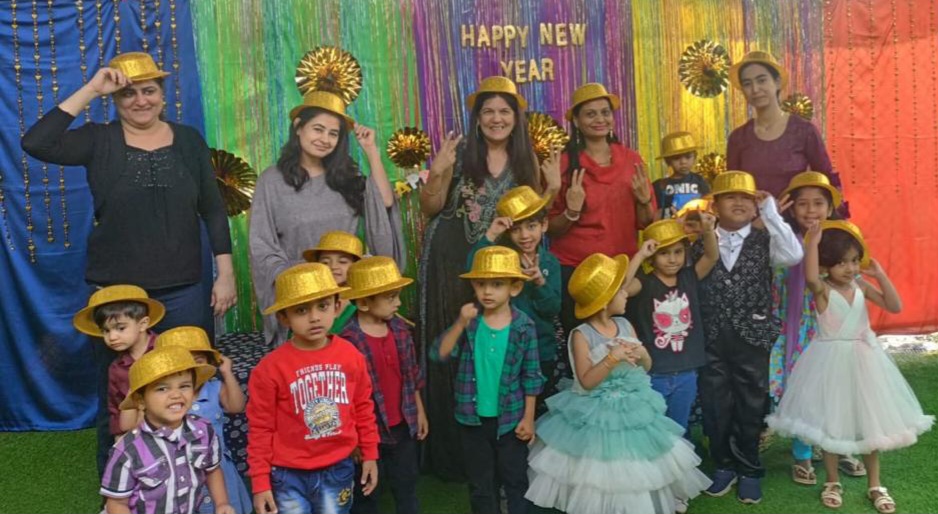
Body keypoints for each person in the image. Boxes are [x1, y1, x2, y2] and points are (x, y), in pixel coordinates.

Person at [21, 51, 236, 331]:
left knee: (185, 359)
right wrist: (91, 89)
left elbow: (213, 209)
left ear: (162, 95)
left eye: (149, 91)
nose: (141, 101)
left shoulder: (189, 140)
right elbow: (36, 143)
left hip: (183, 290)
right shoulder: (98, 140)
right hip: (117, 294)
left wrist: (226, 275)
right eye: (128, 93)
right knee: (122, 362)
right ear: (114, 99)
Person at [418, 76, 557, 479]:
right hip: (450, 264)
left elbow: (534, 219)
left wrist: (553, 189)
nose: (497, 118)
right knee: (460, 351)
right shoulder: (460, 155)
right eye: (488, 111)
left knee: (498, 352)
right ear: (477, 119)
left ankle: (506, 449)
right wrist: (438, 173)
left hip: (501, 270)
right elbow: (430, 208)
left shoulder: (527, 162)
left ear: (516, 118)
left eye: (504, 111)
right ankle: (457, 456)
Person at [767, 220, 933, 513]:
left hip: (865, 363)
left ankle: (875, 484)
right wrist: (812, 243)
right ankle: (832, 481)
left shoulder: (861, 286)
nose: (850, 268)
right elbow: (810, 275)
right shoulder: (821, 289)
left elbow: (894, 306)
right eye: (841, 263)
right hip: (830, 363)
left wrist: (880, 275)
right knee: (831, 423)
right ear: (826, 265)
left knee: (870, 423)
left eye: (855, 261)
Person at [526, 252, 710, 514]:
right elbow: (586, 381)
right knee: (602, 466)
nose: (625, 294)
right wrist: (612, 358)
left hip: (631, 406)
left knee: (635, 461)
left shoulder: (624, 324)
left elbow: (645, 367)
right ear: (604, 302)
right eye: (619, 291)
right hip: (596, 412)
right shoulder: (581, 335)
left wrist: (642, 354)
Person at [250, 90, 405, 346]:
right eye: (318, 129)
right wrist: (305, 284)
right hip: (301, 296)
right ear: (298, 127)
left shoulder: (347, 178)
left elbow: (384, 204)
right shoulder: (272, 181)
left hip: (348, 298)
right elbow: (262, 246)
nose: (325, 139)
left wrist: (371, 151)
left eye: (333, 134)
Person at [695, 171, 803, 504]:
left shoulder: (766, 240)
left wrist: (770, 211)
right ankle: (723, 465)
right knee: (715, 402)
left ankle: (750, 469)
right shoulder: (698, 242)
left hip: (752, 336)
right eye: (730, 197)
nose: (739, 202)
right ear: (715, 205)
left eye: (746, 197)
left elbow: (794, 255)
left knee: (751, 403)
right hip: (710, 335)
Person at [248, 263, 379, 514]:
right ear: (284, 317)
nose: (314, 317)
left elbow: (363, 407)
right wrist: (260, 482)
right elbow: (260, 428)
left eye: (323, 306)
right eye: (301, 310)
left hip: (337, 467)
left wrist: (370, 453)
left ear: (337, 307)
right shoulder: (270, 369)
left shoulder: (351, 356)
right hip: (287, 473)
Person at [431, 246, 544, 514]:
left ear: (515, 288)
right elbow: (439, 353)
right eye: (481, 284)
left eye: (497, 284)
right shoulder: (470, 322)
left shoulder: (524, 326)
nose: (487, 291)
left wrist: (528, 419)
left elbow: (531, 375)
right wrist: (460, 323)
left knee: (515, 480)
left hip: (511, 420)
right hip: (472, 420)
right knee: (481, 485)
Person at [770, 171, 866, 484]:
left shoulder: (838, 242)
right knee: (803, 389)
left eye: (818, 203)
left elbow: (854, 283)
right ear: (791, 208)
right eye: (802, 204)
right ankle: (803, 452)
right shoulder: (783, 240)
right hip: (794, 329)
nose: (811, 210)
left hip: (832, 329)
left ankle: (840, 447)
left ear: (830, 207)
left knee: (838, 388)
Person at [548, 82, 656, 339]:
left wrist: (643, 201)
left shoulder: (631, 160)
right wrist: (571, 212)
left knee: (626, 346)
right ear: (576, 121)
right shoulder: (564, 164)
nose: (599, 119)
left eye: (605, 112)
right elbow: (549, 228)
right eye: (590, 114)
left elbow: (647, 223)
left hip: (623, 271)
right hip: (578, 273)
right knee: (583, 346)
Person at [339, 257, 427, 514]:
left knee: (407, 486)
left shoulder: (400, 330)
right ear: (364, 303)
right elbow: (345, 397)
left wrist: (419, 412)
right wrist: (355, 439)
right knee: (366, 493)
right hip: (368, 432)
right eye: (390, 297)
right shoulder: (348, 341)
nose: (398, 303)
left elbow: (411, 375)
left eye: (397, 296)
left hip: (402, 425)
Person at [100, 346, 233, 514]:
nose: (176, 395)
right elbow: (117, 504)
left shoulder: (204, 430)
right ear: (141, 400)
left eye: (184, 386)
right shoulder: (128, 450)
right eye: (162, 388)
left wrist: (221, 503)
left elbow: (212, 470)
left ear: (194, 392)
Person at [466, 185, 561, 403]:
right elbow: (473, 267)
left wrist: (540, 282)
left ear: (544, 225)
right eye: (516, 229)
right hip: (506, 347)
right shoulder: (502, 259)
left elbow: (552, 309)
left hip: (541, 349)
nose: (525, 235)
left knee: (538, 407)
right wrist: (491, 234)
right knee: (507, 404)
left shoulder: (550, 263)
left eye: (531, 226)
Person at [625, 216, 718, 437]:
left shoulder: (689, 277)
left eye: (678, 252)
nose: (672, 259)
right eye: (664, 253)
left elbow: (712, 256)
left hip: (687, 370)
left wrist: (707, 231)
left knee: (679, 427)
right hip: (655, 372)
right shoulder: (644, 282)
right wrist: (640, 255)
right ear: (653, 256)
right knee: (653, 428)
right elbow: (623, 289)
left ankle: (681, 459)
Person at [155, 326, 252, 514]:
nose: (191, 369)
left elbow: (237, 406)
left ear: (209, 362)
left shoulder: (214, 387)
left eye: (198, 361)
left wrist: (227, 373)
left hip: (220, 471)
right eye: (183, 363)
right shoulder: (163, 399)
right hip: (180, 473)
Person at [726, 51, 845, 200]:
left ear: (777, 82)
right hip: (753, 214)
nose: (755, 89)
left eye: (761, 80)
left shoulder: (804, 131)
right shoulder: (738, 138)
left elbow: (826, 181)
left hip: (795, 214)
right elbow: (732, 190)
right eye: (747, 84)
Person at [72, 285, 164, 476]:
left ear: (143, 324)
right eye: (106, 331)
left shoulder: (166, 350)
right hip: (139, 436)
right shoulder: (116, 369)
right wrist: (119, 436)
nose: (112, 337)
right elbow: (115, 408)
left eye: (120, 328)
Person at [302, 230, 366, 333]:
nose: (333, 267)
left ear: (356, 265)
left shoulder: (365, 303)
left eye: (342, 262)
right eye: (325, 262)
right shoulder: (308, 298)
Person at [653, 131, 711, 218]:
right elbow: (655, 214)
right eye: (676, 158)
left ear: (695, 157)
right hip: (670, 225)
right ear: (667, 161)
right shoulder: (660, 186)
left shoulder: (701, 181)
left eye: (688, 157)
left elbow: (709, 206)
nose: (683, 162)